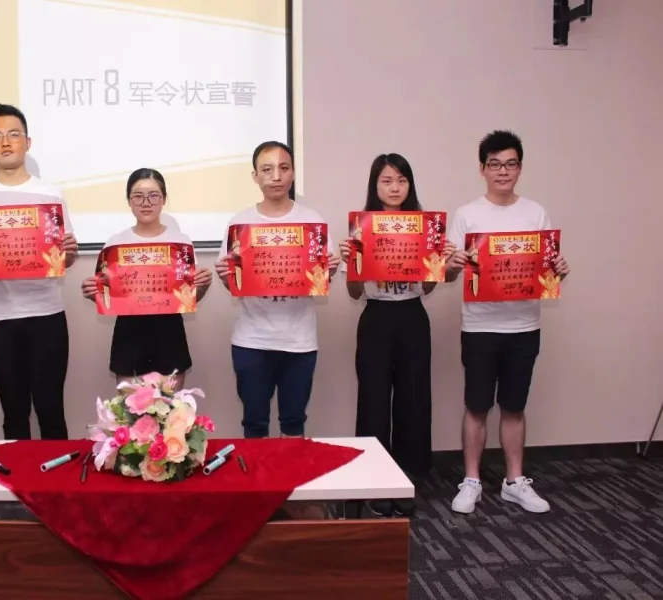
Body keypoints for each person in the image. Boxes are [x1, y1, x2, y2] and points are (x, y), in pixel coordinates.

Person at [444, 130, 570, 514]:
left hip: (524, 326)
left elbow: (545, 270)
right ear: (482, 169)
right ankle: (471, 481)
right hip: (480, 327)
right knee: (477, 406)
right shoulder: (467, 215)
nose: (503, 171)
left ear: (520, 168)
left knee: (514, 406)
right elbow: (446, 274)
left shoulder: (536, 213)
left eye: (510, 164)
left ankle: (514, 481)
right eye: (495, 164)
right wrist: (453, 264)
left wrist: (558, 270)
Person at [338, 153, 456, 517]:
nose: (394, 188)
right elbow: (355, 293)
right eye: (387, 181)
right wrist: (353, 263)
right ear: (375, 185)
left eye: (401, 180)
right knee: (373, 402)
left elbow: (429, 288)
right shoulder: (362, 227)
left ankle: (406, 478)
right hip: (376, 318)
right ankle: (375, 479)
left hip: (412, 316)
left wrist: (439, 263)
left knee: (413, 399)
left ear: (410, 185)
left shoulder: (424, 227)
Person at [0, 104, 78, 441]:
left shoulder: (50, 194)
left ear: (27, 142)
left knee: (51, 410)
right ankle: (18, 476)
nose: (5, 142)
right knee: (14, 412)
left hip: (46, 315)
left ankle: (55, 477)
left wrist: (69, 253)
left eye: (13, 135)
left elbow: (63, 259)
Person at [214, 141, 340, 439]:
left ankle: (290, 472)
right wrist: (225, 276)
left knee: (294, 421)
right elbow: (233, 283)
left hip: (299, 341)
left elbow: (321, 277)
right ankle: (256, 473)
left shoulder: (312, 222)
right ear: (255, 176)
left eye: (284, 168)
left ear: (293, 172)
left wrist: (329, 271)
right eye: (267, 169)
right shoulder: (240, 223)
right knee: (254, 423)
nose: (276, 176)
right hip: (251, 341)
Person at [81, 168, 213, 390]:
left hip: (169, 333)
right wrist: (92, 293)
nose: (146, 203)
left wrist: (203, 285)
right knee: (130, 409)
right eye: (138, 196)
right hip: (129, 335)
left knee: (172, 409)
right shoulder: (115, 244)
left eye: (153, 195)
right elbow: (109, 297)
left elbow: (190, 297)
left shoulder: (180, 243)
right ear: (129, 201)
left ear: (163, 199)